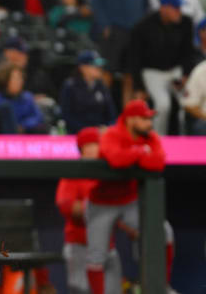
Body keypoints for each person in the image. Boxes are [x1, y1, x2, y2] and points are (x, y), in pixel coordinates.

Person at [86, 100, 165, 294]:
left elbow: (158, 162)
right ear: (131, 119)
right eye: (145, 119)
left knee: (164, 232)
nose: (150, 123)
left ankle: (162, 287)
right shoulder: (112, 134)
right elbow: (115, 159)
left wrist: (133, 154)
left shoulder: (151, 137)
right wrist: (139, 152)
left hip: (129, 202)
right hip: (101, 202)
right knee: (97, 256)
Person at [56, 127, 122, 294]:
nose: (94, 149)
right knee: (82, 290)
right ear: (82, 149)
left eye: (97, 145)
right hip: (80, 244)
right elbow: (66, 205)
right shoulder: (74, 173)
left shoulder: (108, 175)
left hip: (107, 246)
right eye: (89, 145)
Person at [130, 0, 196, 135]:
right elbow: (136, 59)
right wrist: (139, 86)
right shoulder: (144, 27)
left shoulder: (186, 23)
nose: (179, 12)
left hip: (175, 70)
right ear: (164, 8)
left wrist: (186, 74)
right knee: (163, 105)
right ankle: (159, 140)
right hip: (153, 72)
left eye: (179, 8)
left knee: (189, 102)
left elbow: (188, 52)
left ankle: (188, 139)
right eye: (175, 8)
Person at [59, 50, 116, 134]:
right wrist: (87, 131)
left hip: (101, 133)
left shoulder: (101, 86)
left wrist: (107, 127)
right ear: (83, 68)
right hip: (78, 134)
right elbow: (66, 115)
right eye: (94, 65)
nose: (99, 68)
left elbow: (111, 114)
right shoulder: (70, 86)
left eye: (100, 65)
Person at [0, 62, 48, 134]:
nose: (20, 81)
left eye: (21, 78)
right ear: (5, 80)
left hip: (26, 131)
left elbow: (38, 117)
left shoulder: (27, 97)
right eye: (16, 79)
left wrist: (23, 125)